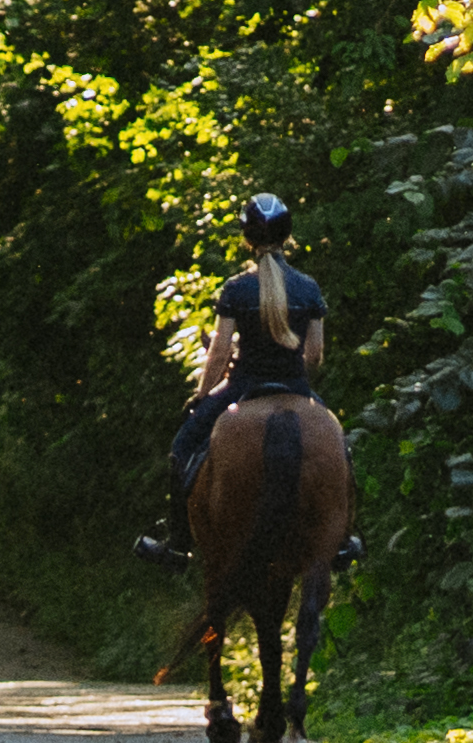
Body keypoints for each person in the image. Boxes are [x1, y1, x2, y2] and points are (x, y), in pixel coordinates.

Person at [136, 192, 358, 567]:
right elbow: (315, 355)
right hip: (295, 385)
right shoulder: (309, 288)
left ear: (247, 239)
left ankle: (176, 544)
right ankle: (343, 541)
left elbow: (219, 353)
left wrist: (202, 394)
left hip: (243, 385)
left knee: (183, 445)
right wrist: (297, 379)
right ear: (288, 236)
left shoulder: (236, 289)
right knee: (342, 450)